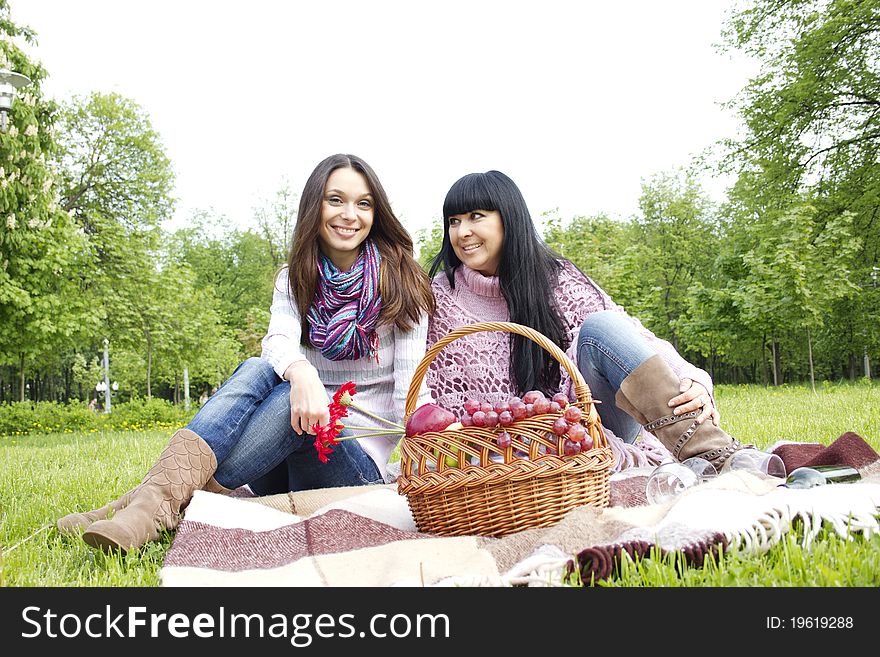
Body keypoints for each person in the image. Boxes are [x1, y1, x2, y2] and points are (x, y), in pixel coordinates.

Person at [57, 153, 435, 552]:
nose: (349, 214)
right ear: (314, 206)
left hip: (351, 467)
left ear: (376, 213)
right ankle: (152, 504)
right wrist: (304, 373)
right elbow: (278, 343)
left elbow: (411, 395)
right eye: (335, 199)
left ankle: (142, 505)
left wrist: (427, 455)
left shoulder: (402, 282)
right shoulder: (296, 278)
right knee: (259, 368)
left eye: (363, 203)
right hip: (280, 455)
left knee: (286, 390)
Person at [425, 170, 746, 472]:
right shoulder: (440, 296)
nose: (462, 232)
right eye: (453, 221)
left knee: (600, 326)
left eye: (475, 217)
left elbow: (626, 333)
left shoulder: (557, 278)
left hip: (592, 424)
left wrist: (692, 377)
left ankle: (715, 458)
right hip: (514, 453)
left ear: (508, 219)